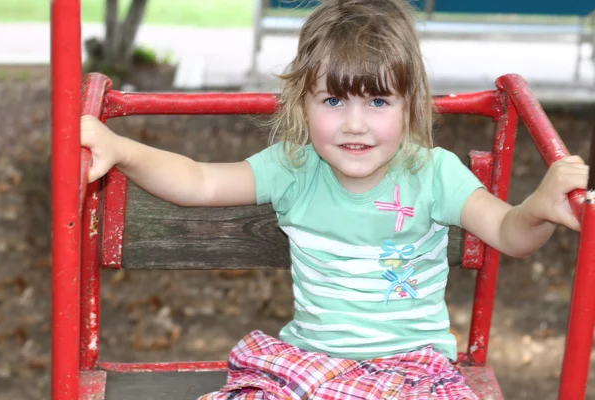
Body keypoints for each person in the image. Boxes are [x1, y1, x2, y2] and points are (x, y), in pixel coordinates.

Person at [80, 0, 588, 398]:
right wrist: (121, 147)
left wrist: (539, 207)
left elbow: (507, 232)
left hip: (411, 370)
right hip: (312, 363)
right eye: (332, 100)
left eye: (379, 100)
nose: (354, 124)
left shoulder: (432, 174)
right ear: (302, 103)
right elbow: (199, 182)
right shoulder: (294, 168)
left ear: (411, 105)